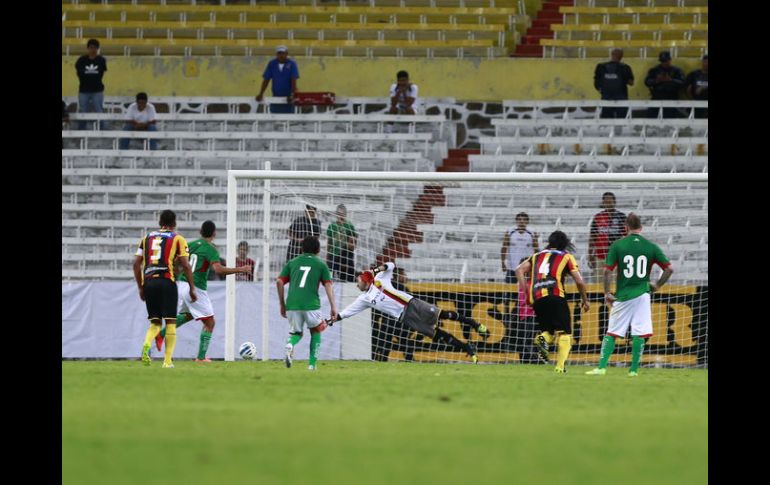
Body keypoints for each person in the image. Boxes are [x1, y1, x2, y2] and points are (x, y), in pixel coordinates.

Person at [326, 262, 489, 363]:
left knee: (444, 314)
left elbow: (391, 265)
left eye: (358, 282)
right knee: (437, 334)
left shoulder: (381, 278)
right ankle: (468, 348)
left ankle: (475, 324)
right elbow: (348, 312)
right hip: (405, 317)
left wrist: (375, 270)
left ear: (365, 280)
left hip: (412, 303)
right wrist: (333, 319)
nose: (357, 285)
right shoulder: (364, 298)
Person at [586, 213, 674, 377]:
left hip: (624, 295)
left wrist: (607, 292)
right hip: (642, 294)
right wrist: (657, 285)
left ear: (625, 227)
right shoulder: (651, 246)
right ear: (641, 228)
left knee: (612, 332)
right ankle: (633, 370)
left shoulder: (618, 245)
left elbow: (606, 272)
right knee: (639, 333)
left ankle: (602, 368)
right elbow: (669, 269)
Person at [154, 221, 252, 362]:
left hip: (182, 284)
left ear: (200, 231)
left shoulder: (191, 245)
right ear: (214, 234)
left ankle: (161, 334)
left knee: (187, 315)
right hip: (195, 286)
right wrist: (240, 269)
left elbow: (176, 260)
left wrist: (175, 273)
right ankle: (201, 358)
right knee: (210, 322)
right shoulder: (210, 250)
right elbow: (218, 270)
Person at [515, 231, 589, 373]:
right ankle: (560, 367)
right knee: (565, 334)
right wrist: (585, 300)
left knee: (548, 331)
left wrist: (526, 291)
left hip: (537, 297)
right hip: (556, 295)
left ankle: (541, 338)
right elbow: (579, 281)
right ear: (564, 243)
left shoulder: (536, 256)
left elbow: (519, 270)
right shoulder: (566, 256)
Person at [133, 210, 196, 368]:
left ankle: (147, 344)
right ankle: (167, 362)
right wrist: (192, 288)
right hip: (167, 281)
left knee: (155, 323)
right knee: (170, 323)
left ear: (159, 222)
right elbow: (186, 265)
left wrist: (141, 287)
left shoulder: (146, 238)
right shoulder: (178, 238)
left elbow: (135, 264)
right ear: (174, 223)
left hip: (149, 282)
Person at [277, 236, 338, 371]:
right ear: (317, 250)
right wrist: (333, 306)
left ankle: (290, 345)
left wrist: (282, 304)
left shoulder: (292, 262)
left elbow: (279, 282)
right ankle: (312, 365)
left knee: (296, 334)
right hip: (311, 304)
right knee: (316, 331)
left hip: (292, 305)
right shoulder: (321, 264)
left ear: (301, 249)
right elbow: (328, 286)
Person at [588, 192, 627, 278]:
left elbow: (627, 237)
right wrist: (590, 255)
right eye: (606, 202)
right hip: (600, 256)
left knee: (614, 283)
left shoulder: (621, 217)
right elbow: (592, 237)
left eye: (610, 202)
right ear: (603, 203)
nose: (608, 204)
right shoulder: (598, 217)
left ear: (615, 202)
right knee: (599, 284)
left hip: (616, 257)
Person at [255, 45, 299, 114]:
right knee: (275, 117)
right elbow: (266, 80)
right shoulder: (272, 64)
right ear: (276, 54)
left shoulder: (292, 64)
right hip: (276, 95)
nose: (281, 55)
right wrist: (261, 93)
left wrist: (292, 95)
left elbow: (293, 80)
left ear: (286, 54)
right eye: (279, 53)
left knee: (289, 117)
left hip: (288, 97)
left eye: (283, 53)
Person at [75, 39, 107, 130]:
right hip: (84, 90)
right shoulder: (81, 60)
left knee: (99, 110)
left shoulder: (101, 60)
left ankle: (102, 129)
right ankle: (81, 130)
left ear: (98, 49)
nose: (93, 50)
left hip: (97, 90)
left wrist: (89, 73)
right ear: (88, 48)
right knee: (82, 111)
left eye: (95, 48)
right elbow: (79, 73)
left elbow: (101, 73)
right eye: (91, 48)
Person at [594, 48, 634, 119]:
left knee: (607, 120)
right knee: (621, 120)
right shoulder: (625, 67)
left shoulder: (601, 67)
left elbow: (596, 82)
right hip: (621, 97)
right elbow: (631, 83)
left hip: (606, 97)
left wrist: (601, 90)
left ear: (611, 55)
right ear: (621, 56)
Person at [644, 51, 685, 118]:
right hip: (656, 98)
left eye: (666, 61)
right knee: (651, 120)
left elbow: (682, 83)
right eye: (662, 61)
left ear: (669, 60)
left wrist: (671, 80)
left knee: (670, 121)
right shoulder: (654, 70)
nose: (664, 63)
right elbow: (647, 82)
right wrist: (657, 80)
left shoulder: (677, 70)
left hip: (671, 99)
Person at [501, 212, 539, 283]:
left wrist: (536, 264)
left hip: (526, 266)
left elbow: (536, 250)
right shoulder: (510, 232)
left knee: (526, 288)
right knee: (510, 289)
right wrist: (503, 263)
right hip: (512, 266)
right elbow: (504, 248)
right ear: (516, 221)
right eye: (519, 219)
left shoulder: (532, 232)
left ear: (527, 222)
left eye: (524, 220)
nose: (522, 221)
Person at [326, 204, 358, 282]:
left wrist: (351, 248)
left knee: (344, 276)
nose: (341, 216)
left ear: (345, 214)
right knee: (330, 274)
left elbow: (354, 239)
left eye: (342, 214)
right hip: (333, 253)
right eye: (339, 214)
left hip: (344, 255)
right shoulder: (332, 226)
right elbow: (329, 240)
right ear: (336, 214)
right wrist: (328, 253)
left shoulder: (349, 226)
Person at [685, 54, 708, 118]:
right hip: (696, 101)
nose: (706, 64)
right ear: (702, 62)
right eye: (705, 62)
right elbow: (686, 86)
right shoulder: (694, 74)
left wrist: (704, 88)